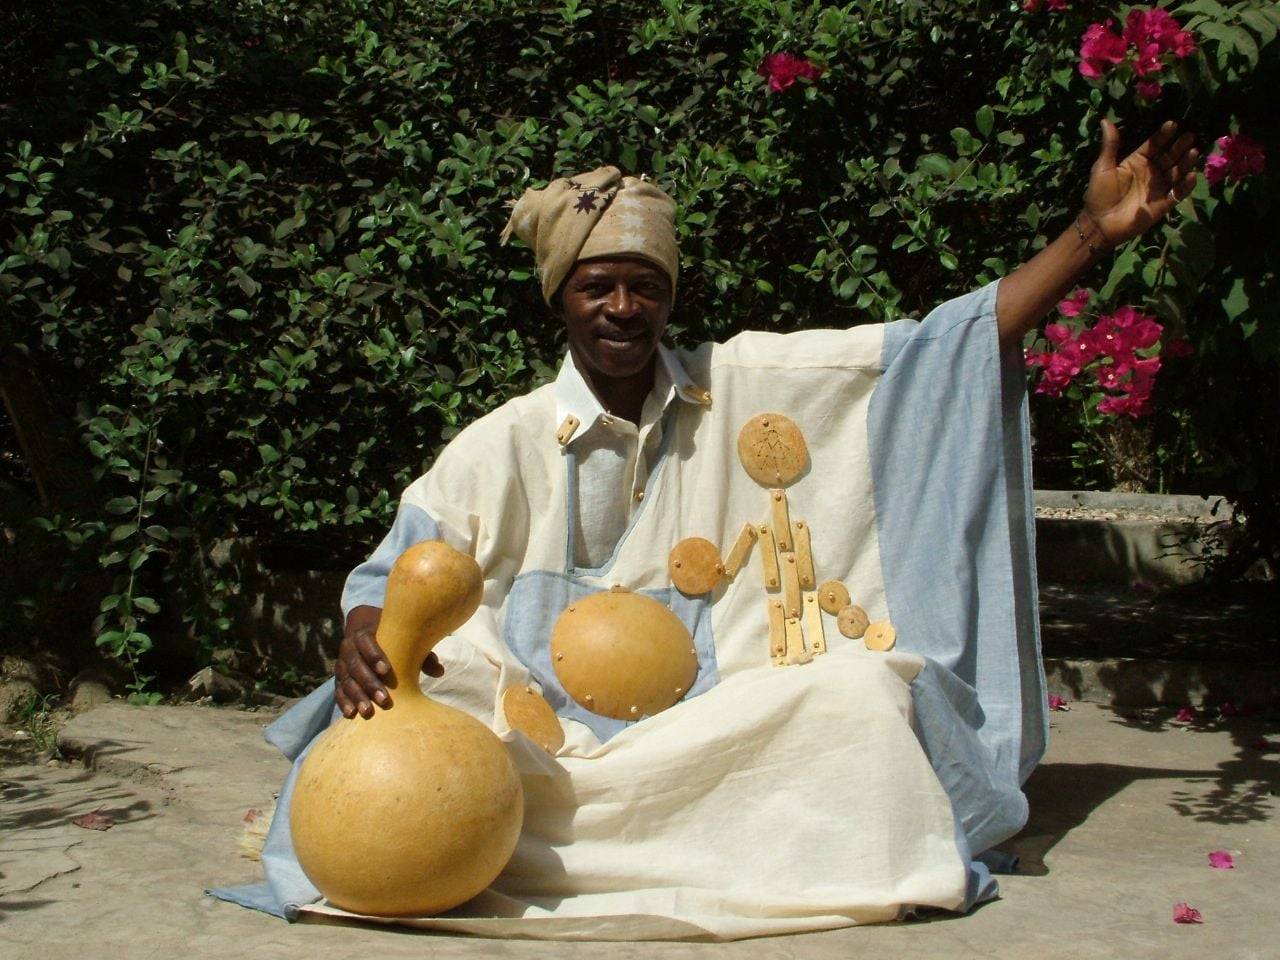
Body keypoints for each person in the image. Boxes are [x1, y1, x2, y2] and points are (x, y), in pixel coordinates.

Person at [213, 120, 1198, 939]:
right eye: (596, 284)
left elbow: (931, 355)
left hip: (708, 726)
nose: (622, 306)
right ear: (558, 297)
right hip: (539, 738)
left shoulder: (743, 384)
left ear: (669, 295)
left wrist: (1087, 234)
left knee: (858, 700)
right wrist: (360, 638)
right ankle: (727, 834)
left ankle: (630, 833)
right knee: (452, 686)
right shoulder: (501, 440)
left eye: (643, 284)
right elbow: (393, 570)